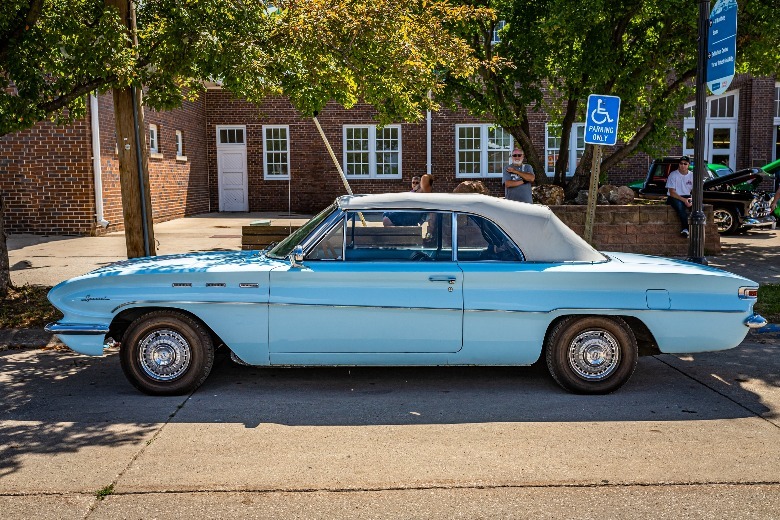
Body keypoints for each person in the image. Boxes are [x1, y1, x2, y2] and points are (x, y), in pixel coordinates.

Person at [665, 155, 694, 237]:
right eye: (681, 163)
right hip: (674, 196)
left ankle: (698, 228)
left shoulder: (692, 175)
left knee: (699, 207)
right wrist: (684, 200)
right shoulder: (673, 175)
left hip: (687, 195)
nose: (683, 165)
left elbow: (695, 190)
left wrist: (691, 199)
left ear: (688, 165)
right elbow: (672, 192)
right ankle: (685, 229)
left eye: (685, 164)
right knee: (680, 207)